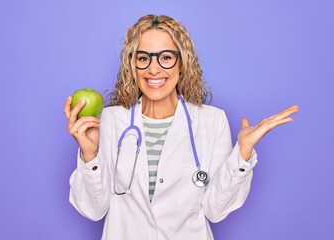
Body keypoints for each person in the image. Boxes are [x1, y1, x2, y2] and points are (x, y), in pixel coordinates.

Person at [64, 14, 298, 240]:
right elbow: (93, 210)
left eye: (165, 57)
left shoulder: (212, 121)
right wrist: (90, 155)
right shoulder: (109, 121)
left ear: (182, 63)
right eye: (143, 58)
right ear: (132, 66)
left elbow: (215, 211)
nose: (153, 69)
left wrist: (242, 154)